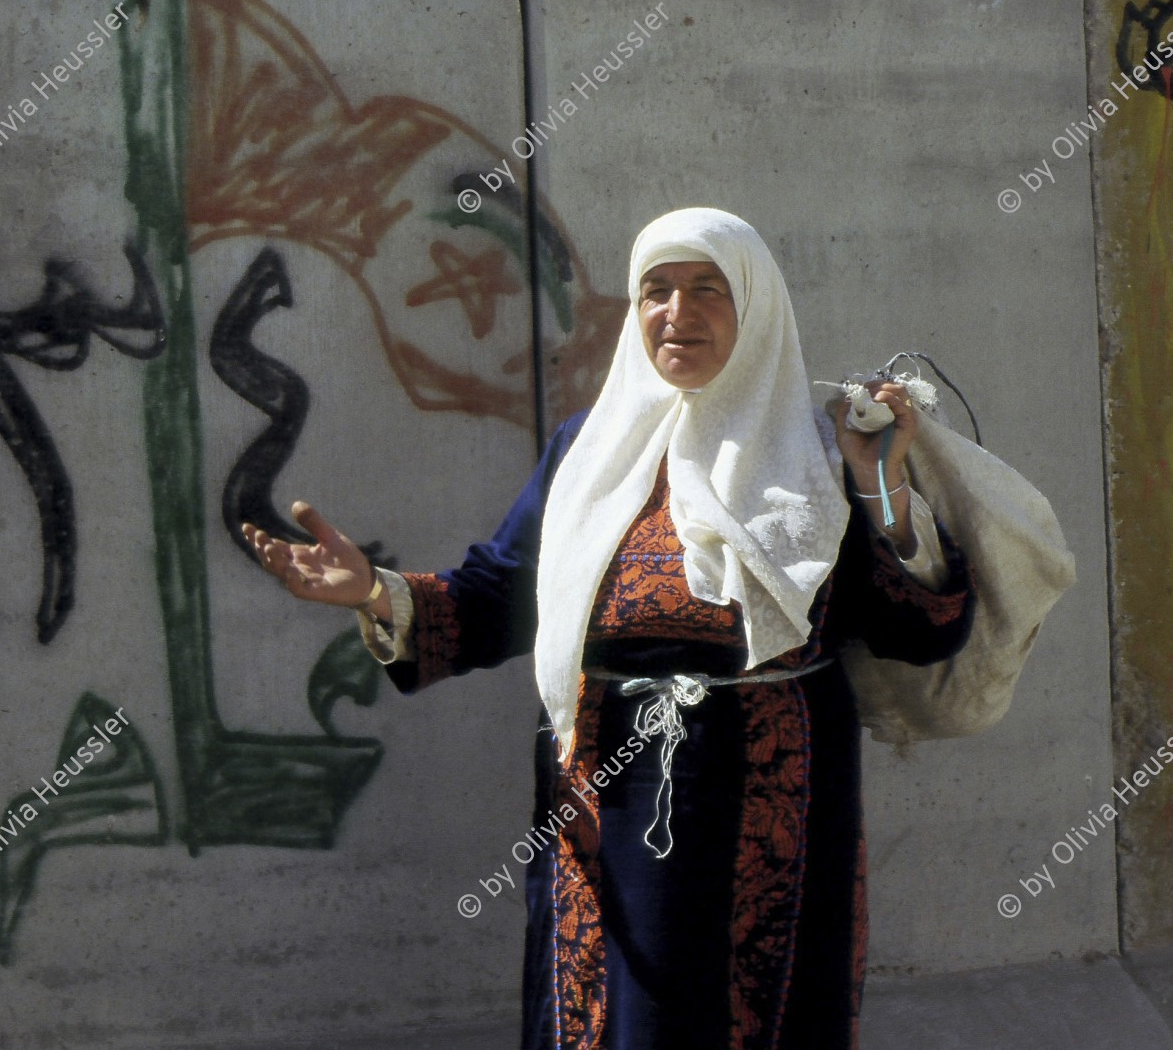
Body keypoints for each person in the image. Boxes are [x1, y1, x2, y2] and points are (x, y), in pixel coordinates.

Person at [245, 207, 974, 1049]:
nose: (677, 312)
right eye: (655, 291)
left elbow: (924, 630)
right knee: (616, 1021)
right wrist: (372, 590)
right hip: (605, 802)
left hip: (773, 806)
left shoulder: (819, 455)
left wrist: (878, 488)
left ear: (756, 309)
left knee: (757, 1017)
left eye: (707, 290)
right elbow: (496, 596)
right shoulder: (587, 451)